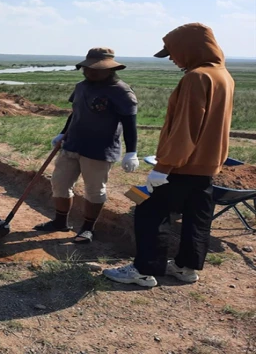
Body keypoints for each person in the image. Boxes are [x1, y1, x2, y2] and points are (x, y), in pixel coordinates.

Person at [103, 23, 234, 287]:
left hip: (183, 166)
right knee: (198, 218)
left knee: (150, 212)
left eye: (173, 52)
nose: (173, 58)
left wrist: (164, 166)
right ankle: (186, 268)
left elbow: (187, 126)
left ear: (189, 47)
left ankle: (143, 270)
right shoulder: (224, 75)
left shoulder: (197, 77)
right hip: (206, 167)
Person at [34, 47, 139, 244]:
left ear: (109, 69)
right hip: (72, 144)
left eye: (96, 69)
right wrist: (63, 133)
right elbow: (75, 113)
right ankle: (60, 222)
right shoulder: (81, 86)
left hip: (99, 150)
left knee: (94, 190)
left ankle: (88, 228)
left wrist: (131, 152)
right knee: (59, 184)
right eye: (88, 68)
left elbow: (129, 124)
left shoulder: (121, 92)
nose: (90, 72)